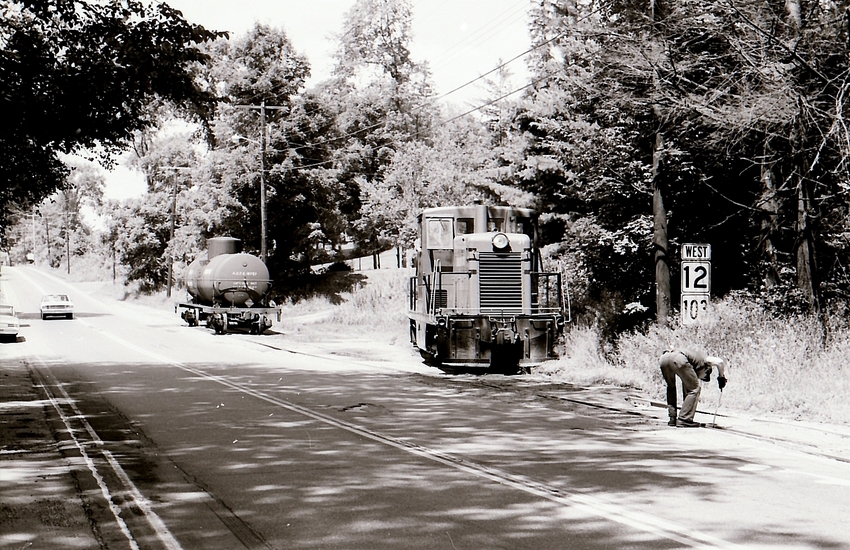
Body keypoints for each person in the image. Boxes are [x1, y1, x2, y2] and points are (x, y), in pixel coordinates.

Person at [659, 348, 727, 427]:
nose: (699, 378)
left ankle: (672, 418)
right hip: (679, 358)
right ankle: (684, 419)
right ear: (707, 369)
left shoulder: (693, 362)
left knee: (671, 387)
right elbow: (719, 362)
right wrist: (721, 377)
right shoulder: (704, 360)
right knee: (695, 389)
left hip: (664, 358)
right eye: (704, 377)